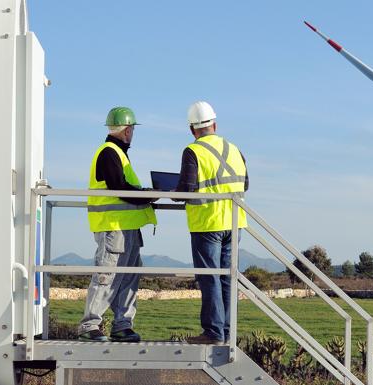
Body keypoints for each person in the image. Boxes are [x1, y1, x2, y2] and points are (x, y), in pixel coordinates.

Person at [79, 106, 157, 342]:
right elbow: (119, 188)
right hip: (113, 227)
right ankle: (89, 325)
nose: (132, 134)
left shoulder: (118, 153)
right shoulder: (109, 152)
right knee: (107, 274)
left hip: (127, 228)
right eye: (132, 130)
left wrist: (146, 194)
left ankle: (122, 325)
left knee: (129, 276)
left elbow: (123, 188)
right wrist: (146, 195)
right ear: (127, 130)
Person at [175, 101, 248, 345]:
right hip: (235, 222)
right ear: (214, 125)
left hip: (208, 223)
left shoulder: (192, 151)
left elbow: (186, 189)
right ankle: (227, 332)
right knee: (227, 277)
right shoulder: (235, 149)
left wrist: (171, 192)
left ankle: (214, 333)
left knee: (210, 278)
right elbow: (245, 183)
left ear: (192, 129)